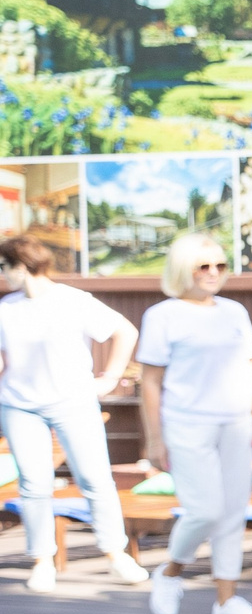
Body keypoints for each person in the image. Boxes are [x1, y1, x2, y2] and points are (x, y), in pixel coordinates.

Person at [0, 234, 150, 593]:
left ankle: (115, 555)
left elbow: (124, 331)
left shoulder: (73, 301)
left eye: (4, 267)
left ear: (21, 266)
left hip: (74, 402)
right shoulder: (7, 308)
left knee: (95, 479)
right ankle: (42, 561)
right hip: (20, 406)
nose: (2, 275)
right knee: (34, 485)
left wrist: (111, 377)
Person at [136, 231, 252, 614]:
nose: (213, 273)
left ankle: (226, 602)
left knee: (232, 514)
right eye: (203, 266)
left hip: (235, 424)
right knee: (205, 510)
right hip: (186, 425)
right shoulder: (161, 316)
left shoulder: (234, 312)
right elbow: (150, 382)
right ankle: (171, 573)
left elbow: (248, 365)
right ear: (183, 269)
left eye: (220, 265)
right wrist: (154, 438)